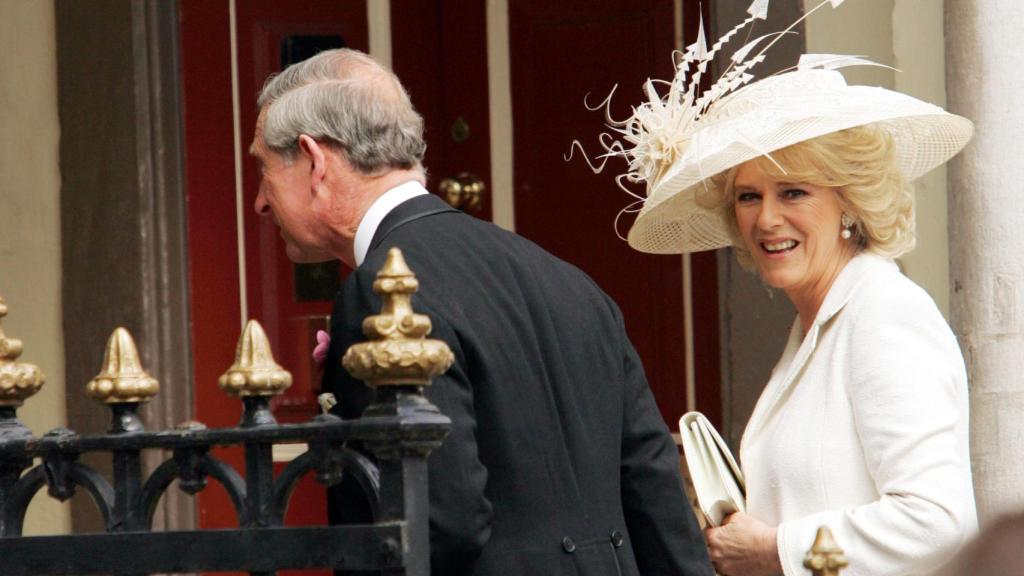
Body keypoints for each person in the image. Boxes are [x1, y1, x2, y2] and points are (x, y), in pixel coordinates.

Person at [250, 48, 713, 576]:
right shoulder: (569, 280)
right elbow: (656, 495)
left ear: (314, 161)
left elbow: (436, 524)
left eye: (263, 168)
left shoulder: (382, 291)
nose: (261, 202)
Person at [583, 2, 978, 574]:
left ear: (848, 202)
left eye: (792, 192)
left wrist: (773, 550)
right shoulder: (817, 324)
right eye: (749, 196)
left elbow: (938, 524)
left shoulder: (885, 315)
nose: (766, 219)